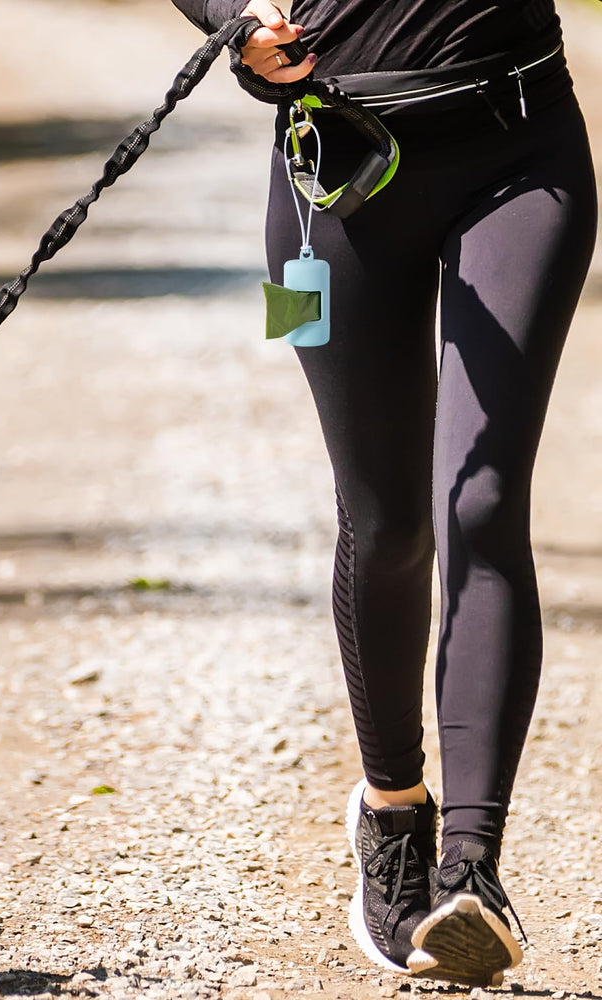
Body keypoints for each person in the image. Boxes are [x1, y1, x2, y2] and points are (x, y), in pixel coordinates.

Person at [171, 0, 597, 987]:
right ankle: (395, 809)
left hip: (518, 146)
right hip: (337, 169)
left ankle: (471, 873)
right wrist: (234, 20)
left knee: (481, 503)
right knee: (386, 522)